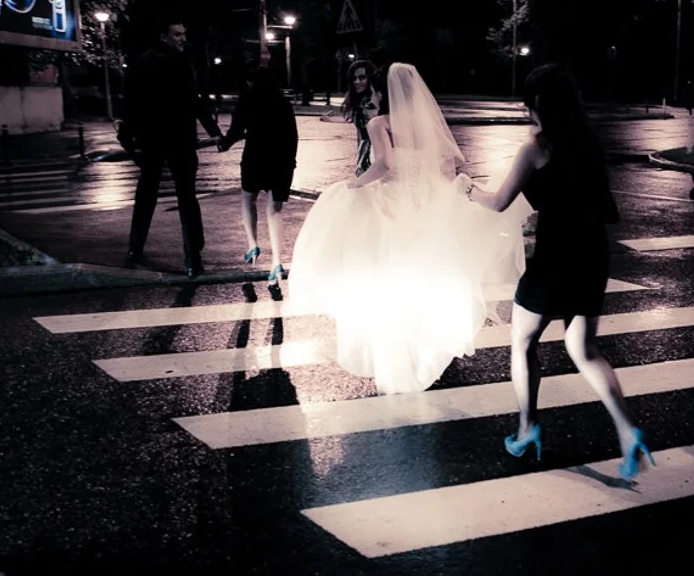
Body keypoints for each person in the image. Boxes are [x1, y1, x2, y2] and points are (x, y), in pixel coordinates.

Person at [282, 63, 531, 394]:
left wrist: (355, 184)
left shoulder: (378, 123)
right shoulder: (425, 126)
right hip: (427, 205)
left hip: (391, 206)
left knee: (388, 278)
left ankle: (399, 350)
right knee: (426, 275)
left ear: (381, 91)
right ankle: (428, 341)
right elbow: (447, 167)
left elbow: (385, 165)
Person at [465, 64, 653, 480]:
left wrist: (465, 186)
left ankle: (527, 429)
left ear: (537, 105)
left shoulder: (536, 147)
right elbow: (600, 204)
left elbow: (498, 202)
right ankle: (628, 431)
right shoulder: (588, 141)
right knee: (584, 349)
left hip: (555, 257)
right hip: (593, 254)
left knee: (522, 341)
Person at [118, 17, 222, 279]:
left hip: (151, 138)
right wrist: (214, 132)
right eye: (177, 34)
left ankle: (135, 249)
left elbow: (132, 101)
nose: (183, 39)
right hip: (180, 139)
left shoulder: (142, 62)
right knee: (187, 198)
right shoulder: (182, 62)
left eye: (184, 34)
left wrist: (127, 136)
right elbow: (194, 101)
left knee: (146, 195)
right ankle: (192, 258)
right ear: (163, 36)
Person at [219, 63, 299, 283]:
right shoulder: (282, 102)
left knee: (248, 199)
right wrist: (290, 163)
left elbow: (235, 130)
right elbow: (293, 135)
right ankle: (277, 262)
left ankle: (253, 245)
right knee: (274, 210)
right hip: (281, 160)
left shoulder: (247, 100)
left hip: (255, 157)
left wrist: (224, 144)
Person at [340, 59, 377, 176]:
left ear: (370, 78)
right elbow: (358, 128)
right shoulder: (358, 100)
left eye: (362, 77)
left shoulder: (374, 102)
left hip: (376, 154)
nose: (357, 82)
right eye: (354, 78)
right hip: (365, 151)